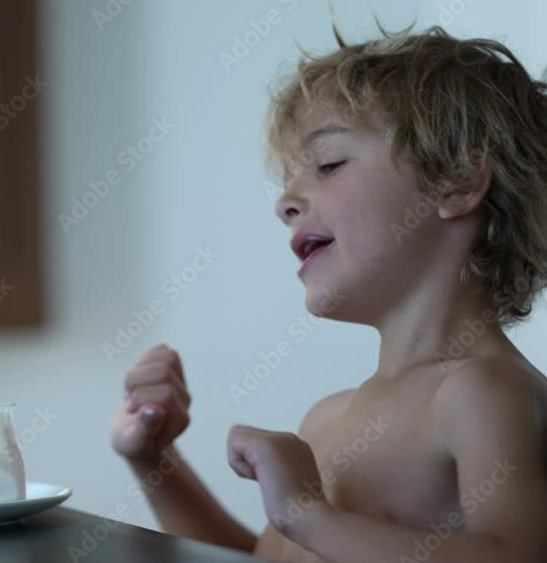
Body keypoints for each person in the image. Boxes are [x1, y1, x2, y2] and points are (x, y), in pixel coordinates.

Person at [112, 25, 547, 563]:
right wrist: (155, 459)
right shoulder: (327, 419)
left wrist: (307, 515)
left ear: (456, 181)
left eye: (329, 164)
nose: (286, 201)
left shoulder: (483, 393)